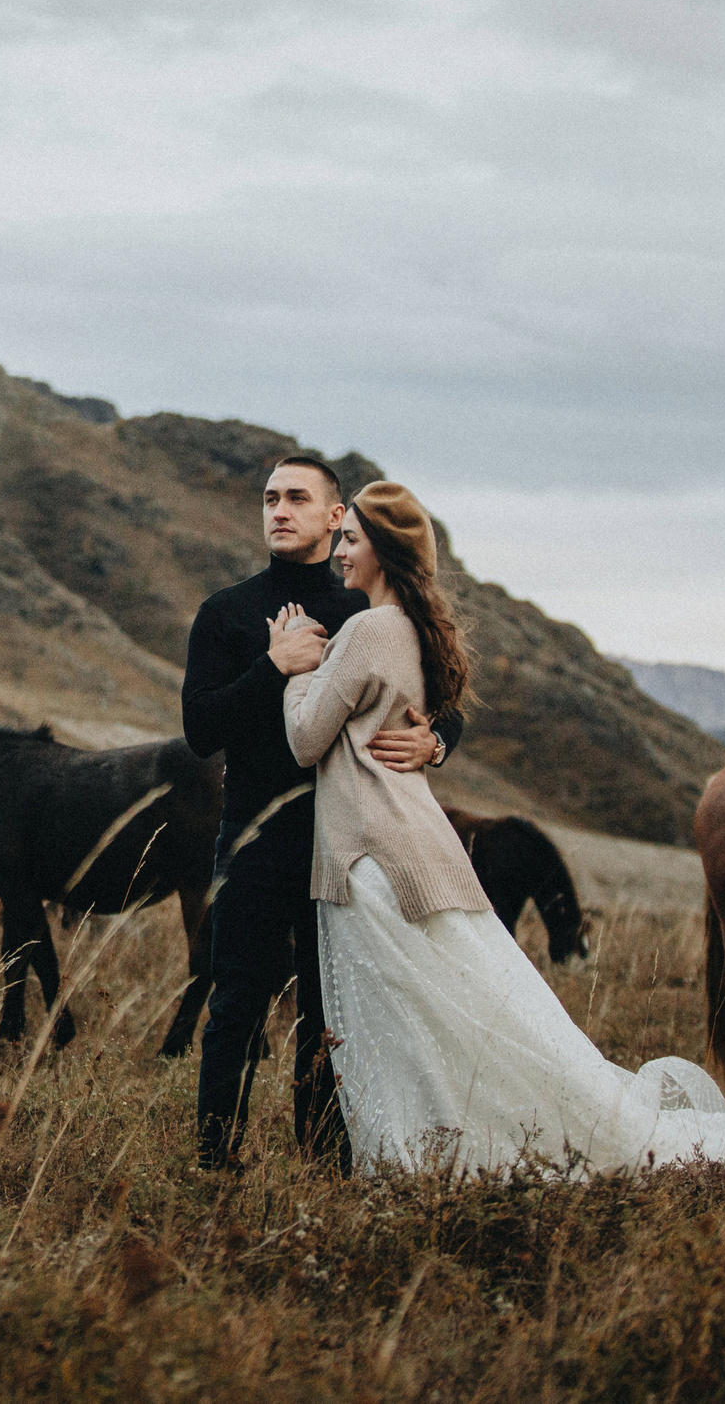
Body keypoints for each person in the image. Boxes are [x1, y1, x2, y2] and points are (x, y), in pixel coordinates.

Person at [285, 481, 725, 1172]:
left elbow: (304, 739)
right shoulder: (409, 628)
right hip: (413, 848)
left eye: (351, 539)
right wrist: (433, 741)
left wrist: (295, 666)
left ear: (385, 550)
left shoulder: (368, 629)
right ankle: (451, 1148)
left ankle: (422, 1155)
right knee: (462, 1018)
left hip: (371, 860)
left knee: (403, 1020)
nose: (339, 550)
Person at [184, 456, 462, 1174]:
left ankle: (324, 1159)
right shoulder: (226, 612)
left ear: (336, 516)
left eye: (298, 498)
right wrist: (272, 666)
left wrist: (437, 739)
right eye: (270, 497)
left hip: (343, 845)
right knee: (235, 1001)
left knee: (330, 1009)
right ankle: (214, 1160)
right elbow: (199, 728)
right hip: (250, 836)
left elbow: (442, 694)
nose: (280, 509)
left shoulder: (363, 613)